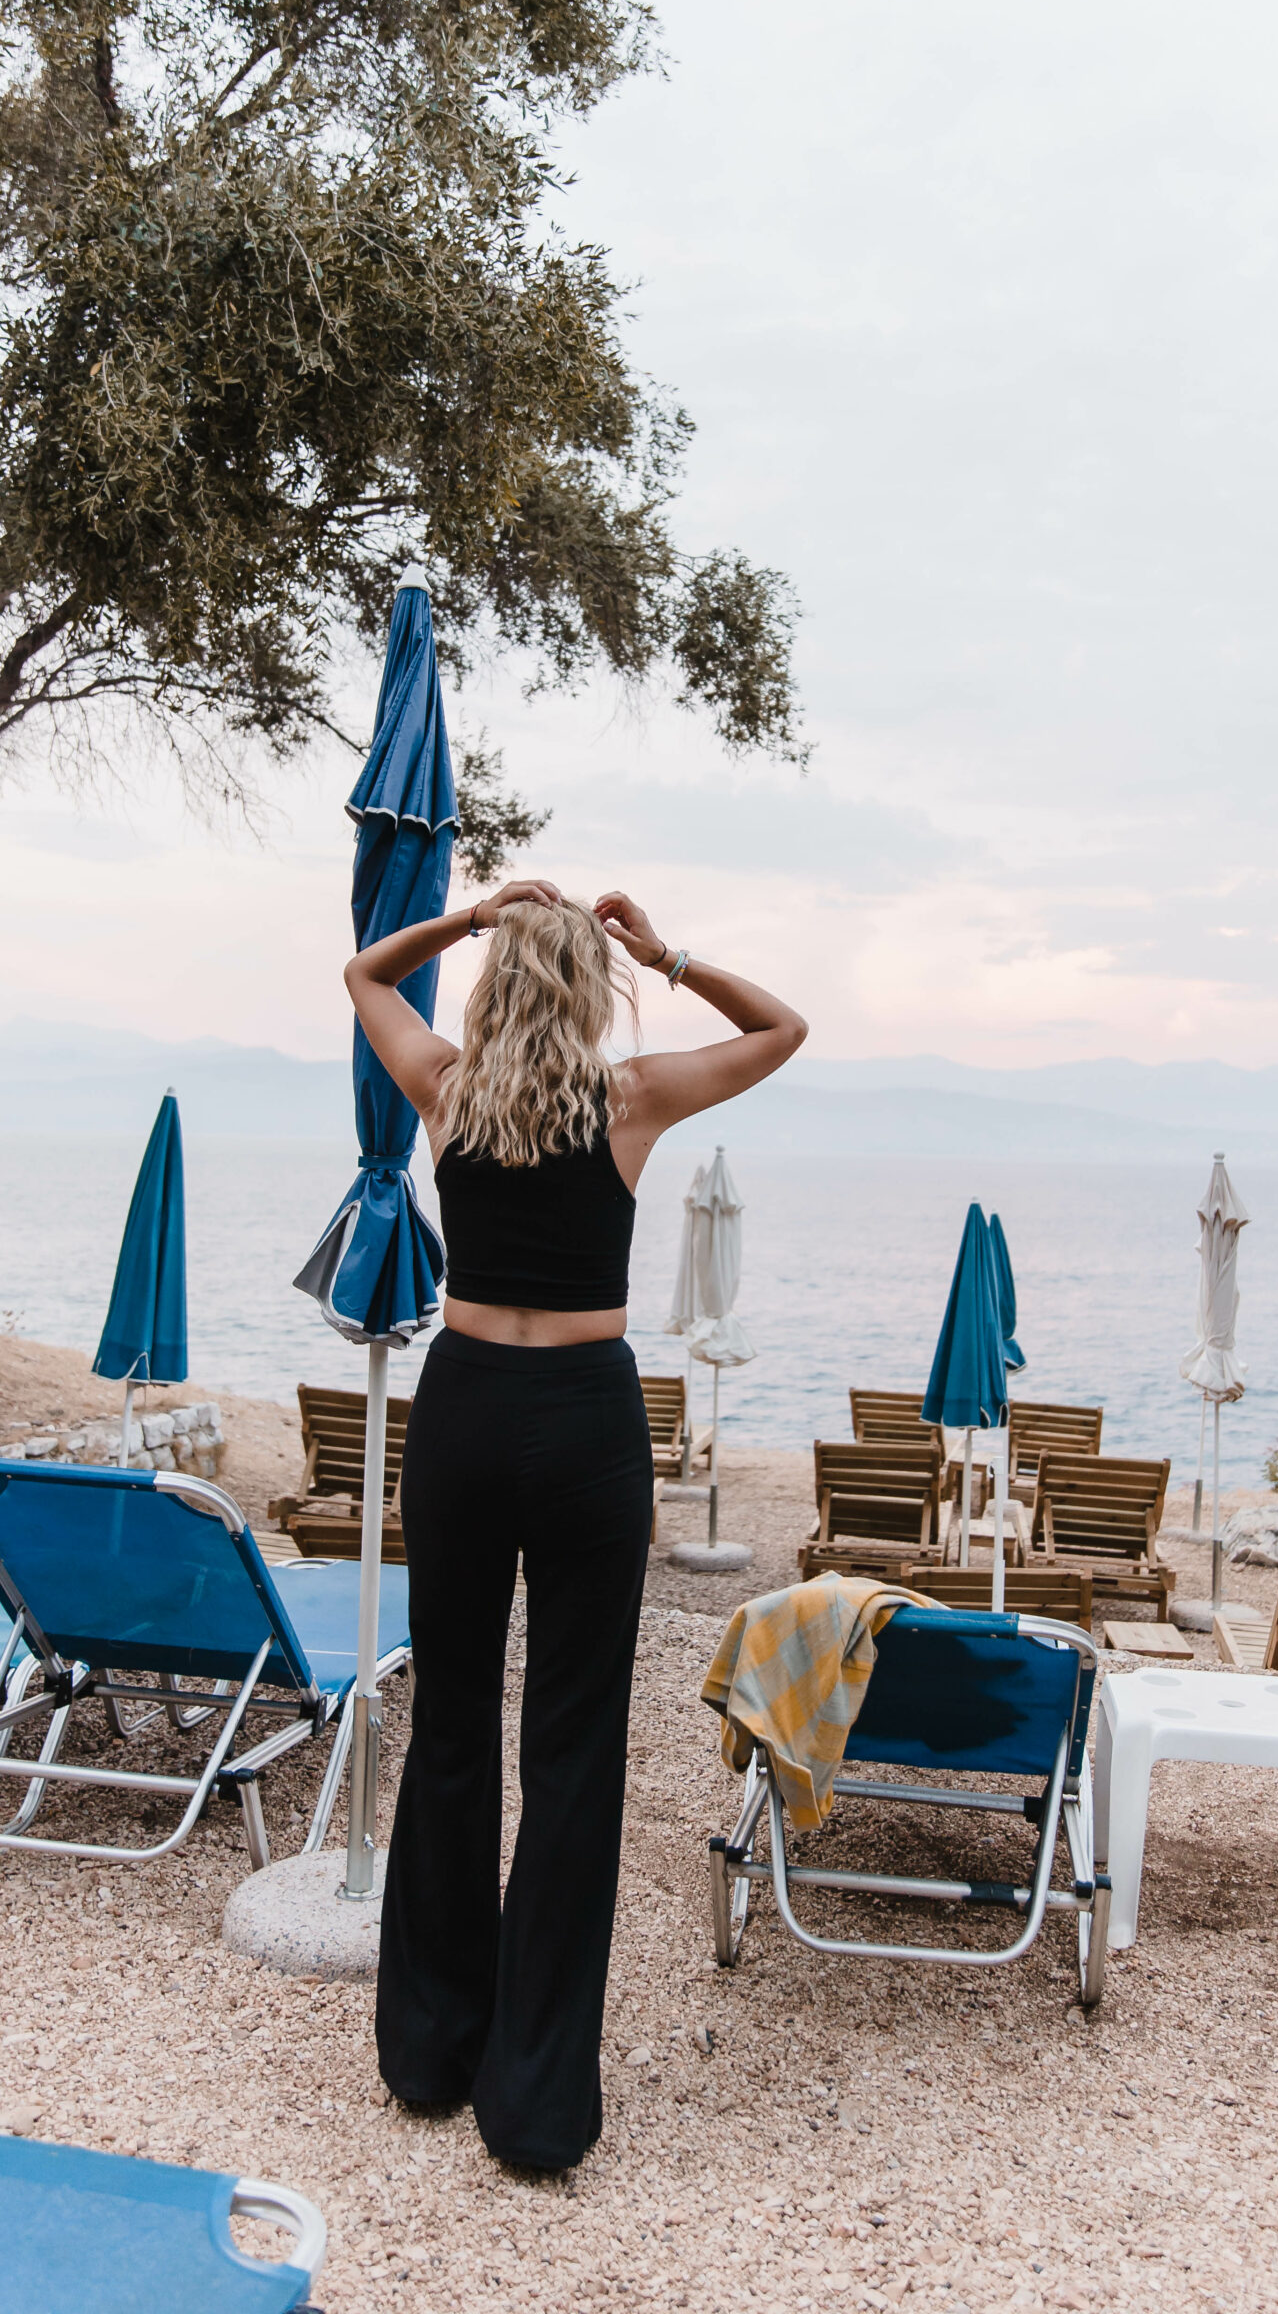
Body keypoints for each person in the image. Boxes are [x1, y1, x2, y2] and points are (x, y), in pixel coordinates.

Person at [345, 880, 805, 2171]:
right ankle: (537, 2104)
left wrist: (465, 920)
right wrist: (669, 954)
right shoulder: (631, 1098)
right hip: (588, 1422)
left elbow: (366, 975)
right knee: (573, 1746)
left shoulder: (444, 1088)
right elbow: (781, 1031)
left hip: (465, 1409)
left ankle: (429, 2052)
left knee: (451, 1723)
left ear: (497, 984)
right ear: (593, 987)